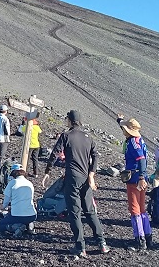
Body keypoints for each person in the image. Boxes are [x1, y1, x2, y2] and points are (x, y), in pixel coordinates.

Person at [42, 110, 110, 257]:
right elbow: (96, 155)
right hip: (86, 178)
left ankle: (80, 246)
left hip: (72, 178)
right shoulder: (88, 137)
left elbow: (55, 153)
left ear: (70, 121)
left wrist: (47, 171)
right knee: (90, 211)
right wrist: (91, 173)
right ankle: (102, 243)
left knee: (74, 212)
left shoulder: (66, 136)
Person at [120, 117, 152, 250]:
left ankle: (139, 240)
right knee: (142, 208)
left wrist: (140, 177)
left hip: (135, 179)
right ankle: (148, 236)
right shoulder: (139, 140)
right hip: (141, 176)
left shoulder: (133, 143)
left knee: (135, 209)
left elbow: (141, 159)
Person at [0, 164, 37, 235]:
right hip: (32, 215)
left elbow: (6, 202)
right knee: (25, 217)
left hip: (17, 215)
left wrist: (1, 209)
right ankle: (29, 226)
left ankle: (16, 227)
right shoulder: (30, 183)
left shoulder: (13, 183)